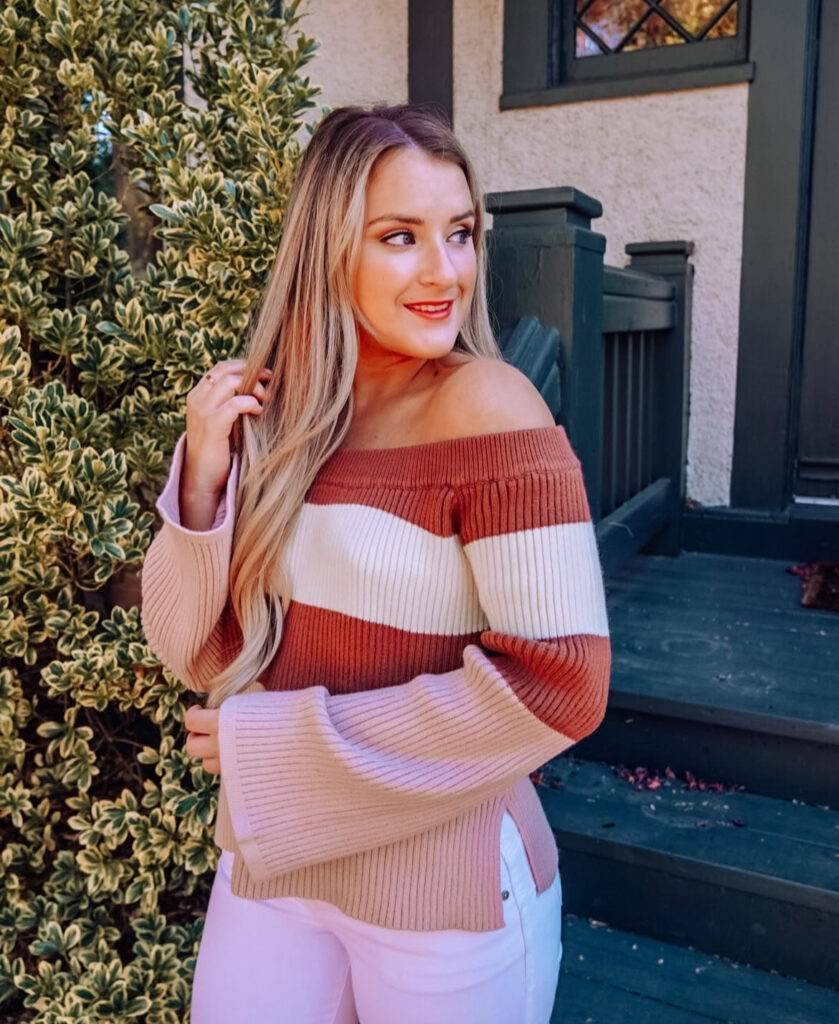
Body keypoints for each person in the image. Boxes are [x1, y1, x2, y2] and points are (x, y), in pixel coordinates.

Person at [140, 102, 611, 1024]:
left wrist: (273, 747)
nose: (447, 272)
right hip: (279, 862)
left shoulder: (490, 405)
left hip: (448, 888)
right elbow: (191, 649)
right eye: (401, 236)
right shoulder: (283, 426)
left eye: (461, 233)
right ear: (328, 250)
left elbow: (561, 685)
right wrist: (201, 478)